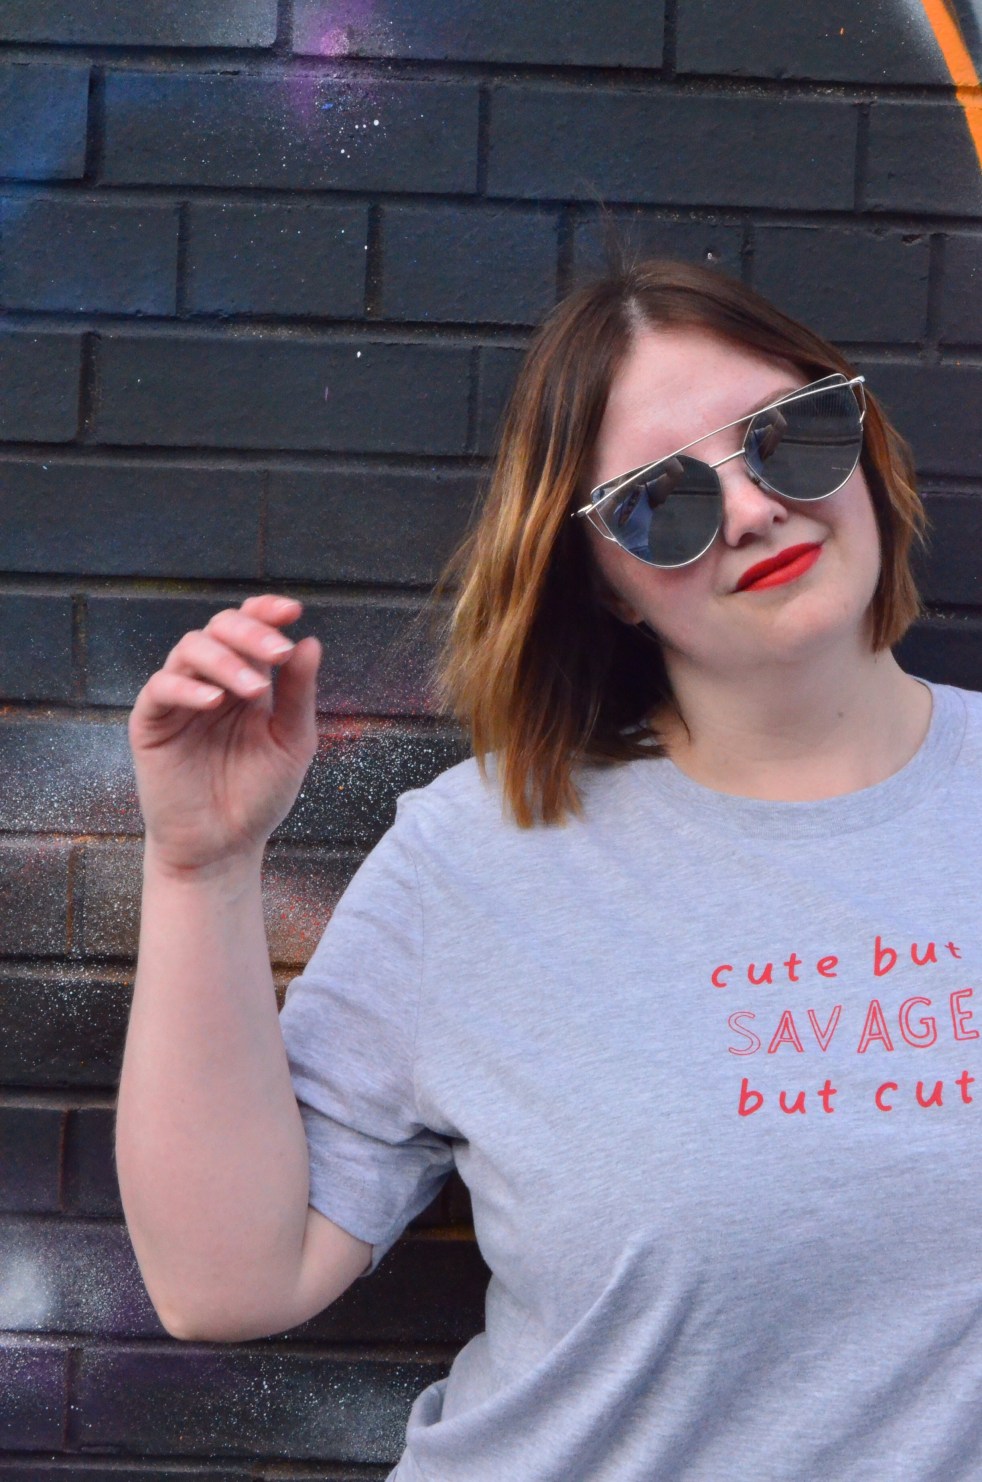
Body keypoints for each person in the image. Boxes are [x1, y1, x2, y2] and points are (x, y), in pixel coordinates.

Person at [116, 258, 982, 1481]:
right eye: (659, 505)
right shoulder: (481, 853)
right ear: (607, 585)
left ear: (863, 437)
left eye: (786, 439)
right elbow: (225, 1282)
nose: (746, 511)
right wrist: (201, 868)